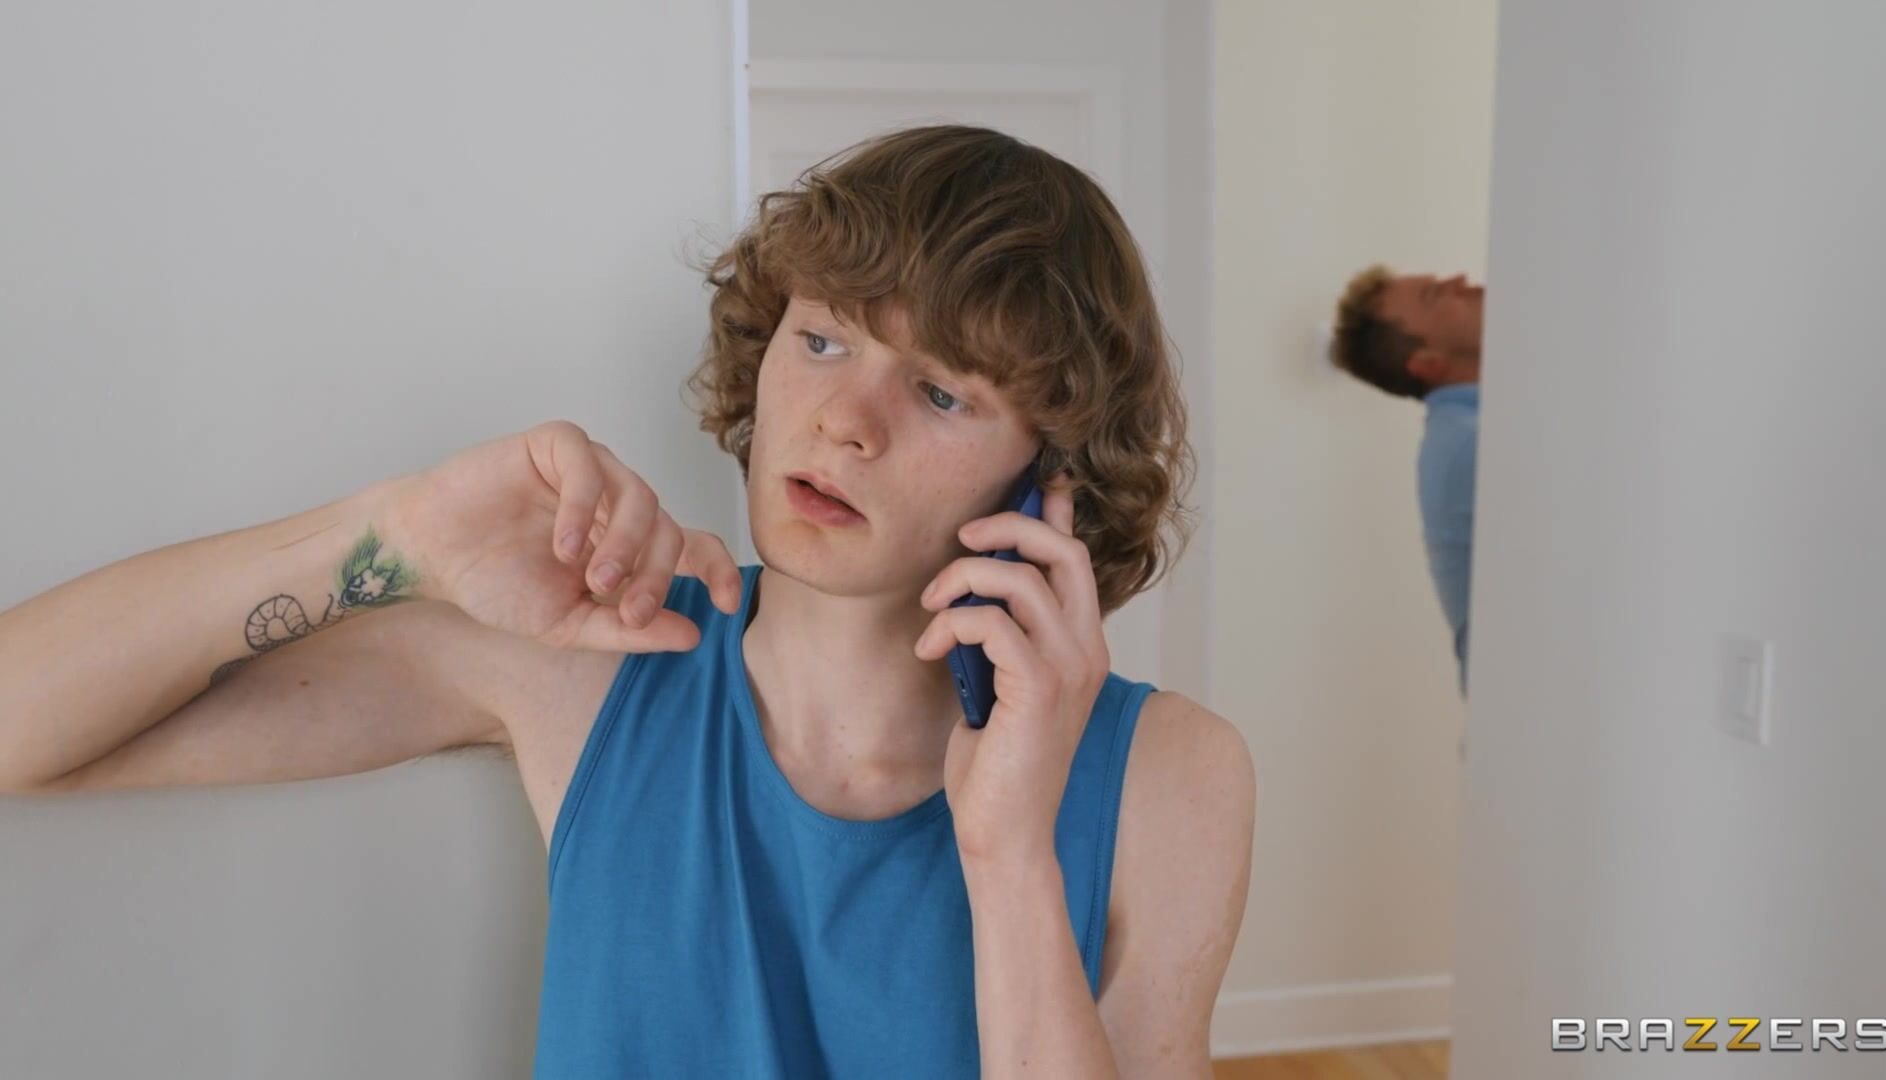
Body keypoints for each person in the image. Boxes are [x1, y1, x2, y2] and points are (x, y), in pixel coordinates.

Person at [0, 125, 1255, 1077]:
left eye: (939, 393)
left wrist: (1009, 852)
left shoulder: (1170, 776)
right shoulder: (593, 666)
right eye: (823, 340)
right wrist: (386, 535)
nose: (844, 421)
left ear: (1052, 481)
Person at [1330, 265, 1484, 696]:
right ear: (1427, 362)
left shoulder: (1478, 431)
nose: (1460, 281)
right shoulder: (1469, 444)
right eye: (1435, 294)